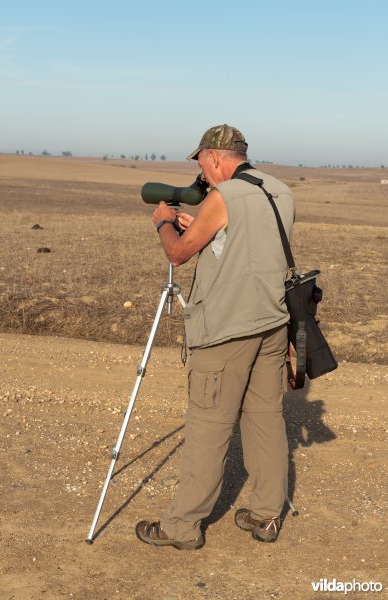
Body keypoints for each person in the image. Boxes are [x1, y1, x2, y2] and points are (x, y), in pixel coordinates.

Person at [136, 124, 295, 549]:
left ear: (216, 157)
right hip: (272, 324)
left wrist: (165, 223)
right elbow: (248, 244)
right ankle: (266, 515)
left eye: (203, 164)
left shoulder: (223, 197)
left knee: (208, 425)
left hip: (227, 329)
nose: (202, 174)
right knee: (265, 420)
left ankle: (181, 526)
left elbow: (178, 253)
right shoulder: (278, 189)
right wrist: (206, 227)